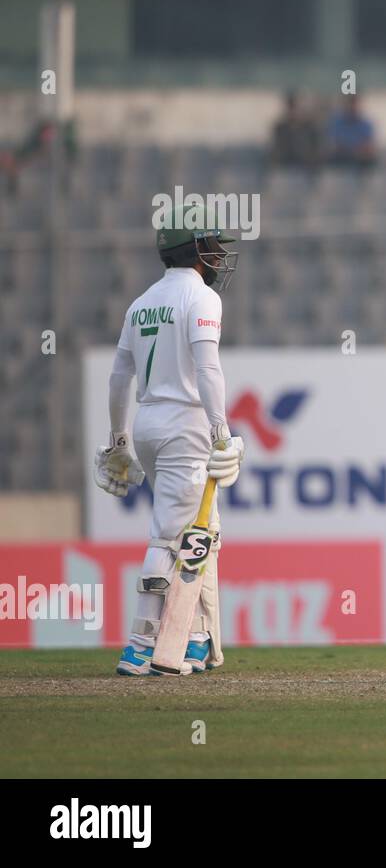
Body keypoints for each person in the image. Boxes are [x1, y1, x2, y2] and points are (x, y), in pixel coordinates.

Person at [95, 203, 245, 676]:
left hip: (149, 422)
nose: (218, 254)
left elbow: (119, 377)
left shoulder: (141, 303)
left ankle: (195, 639)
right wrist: (221, 432)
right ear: (194, 249)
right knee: (170, 535)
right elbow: (208, 368)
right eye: (212, 245)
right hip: (186, 424)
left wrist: (119, 440)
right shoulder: (201, 297)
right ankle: (141, 646)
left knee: (202, 530)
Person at [269, 91, 322, 169]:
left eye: (296, 107)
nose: (294, 111)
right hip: (285, 167)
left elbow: (316, 152)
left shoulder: (310, 128)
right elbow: (276, 152)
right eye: (291, 107)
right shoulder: (280, 128)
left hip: (306, 168)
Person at [325, 95, 377, 168]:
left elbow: (368, 146)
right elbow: (333, 144)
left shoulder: (366, 124)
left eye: (354, 104)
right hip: (340, 159)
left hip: (360, 161)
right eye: (349, 104)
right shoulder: (336, 123)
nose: (352, 107)